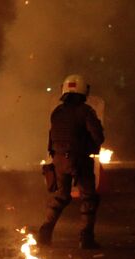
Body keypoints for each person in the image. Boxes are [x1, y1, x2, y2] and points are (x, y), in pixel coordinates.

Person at [38, 74, 104, 249]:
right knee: (89, 197)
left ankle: (45, 231)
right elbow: (98, 136)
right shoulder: (86, 111)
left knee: (61, 196)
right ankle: (86, 238)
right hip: (79, 159)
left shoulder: (57, 112)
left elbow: (51, 137)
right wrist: (89, 147)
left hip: (58, 160)